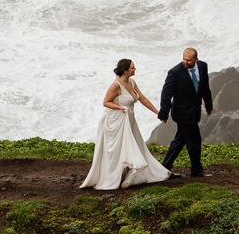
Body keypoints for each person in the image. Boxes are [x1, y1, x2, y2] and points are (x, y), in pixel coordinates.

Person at [80, 59, 172, 190]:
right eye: (132, 68)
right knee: (117, 150)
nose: (135, 70)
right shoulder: (116, 85)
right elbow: (106, 102)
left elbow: (143, 99)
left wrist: (157, 113)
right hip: (116, 121)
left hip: (129, 119)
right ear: (125, 70)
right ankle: (113, 177)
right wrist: (119, 108)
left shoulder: (132, 82)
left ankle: (128, 174)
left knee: (134, 144)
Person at [158, 47, 213, 177]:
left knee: (180, 140)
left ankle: (164, 168)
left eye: (189, 60)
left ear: (196, 59)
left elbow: (205, 88)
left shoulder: (203, 66)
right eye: (184, 59)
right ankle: (196, 170)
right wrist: (164, 113)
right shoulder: (175, 72)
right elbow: (166, 94)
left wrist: (209, 105)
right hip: (181, 113)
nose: (186, 62)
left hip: (194, 111)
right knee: (195, 140)